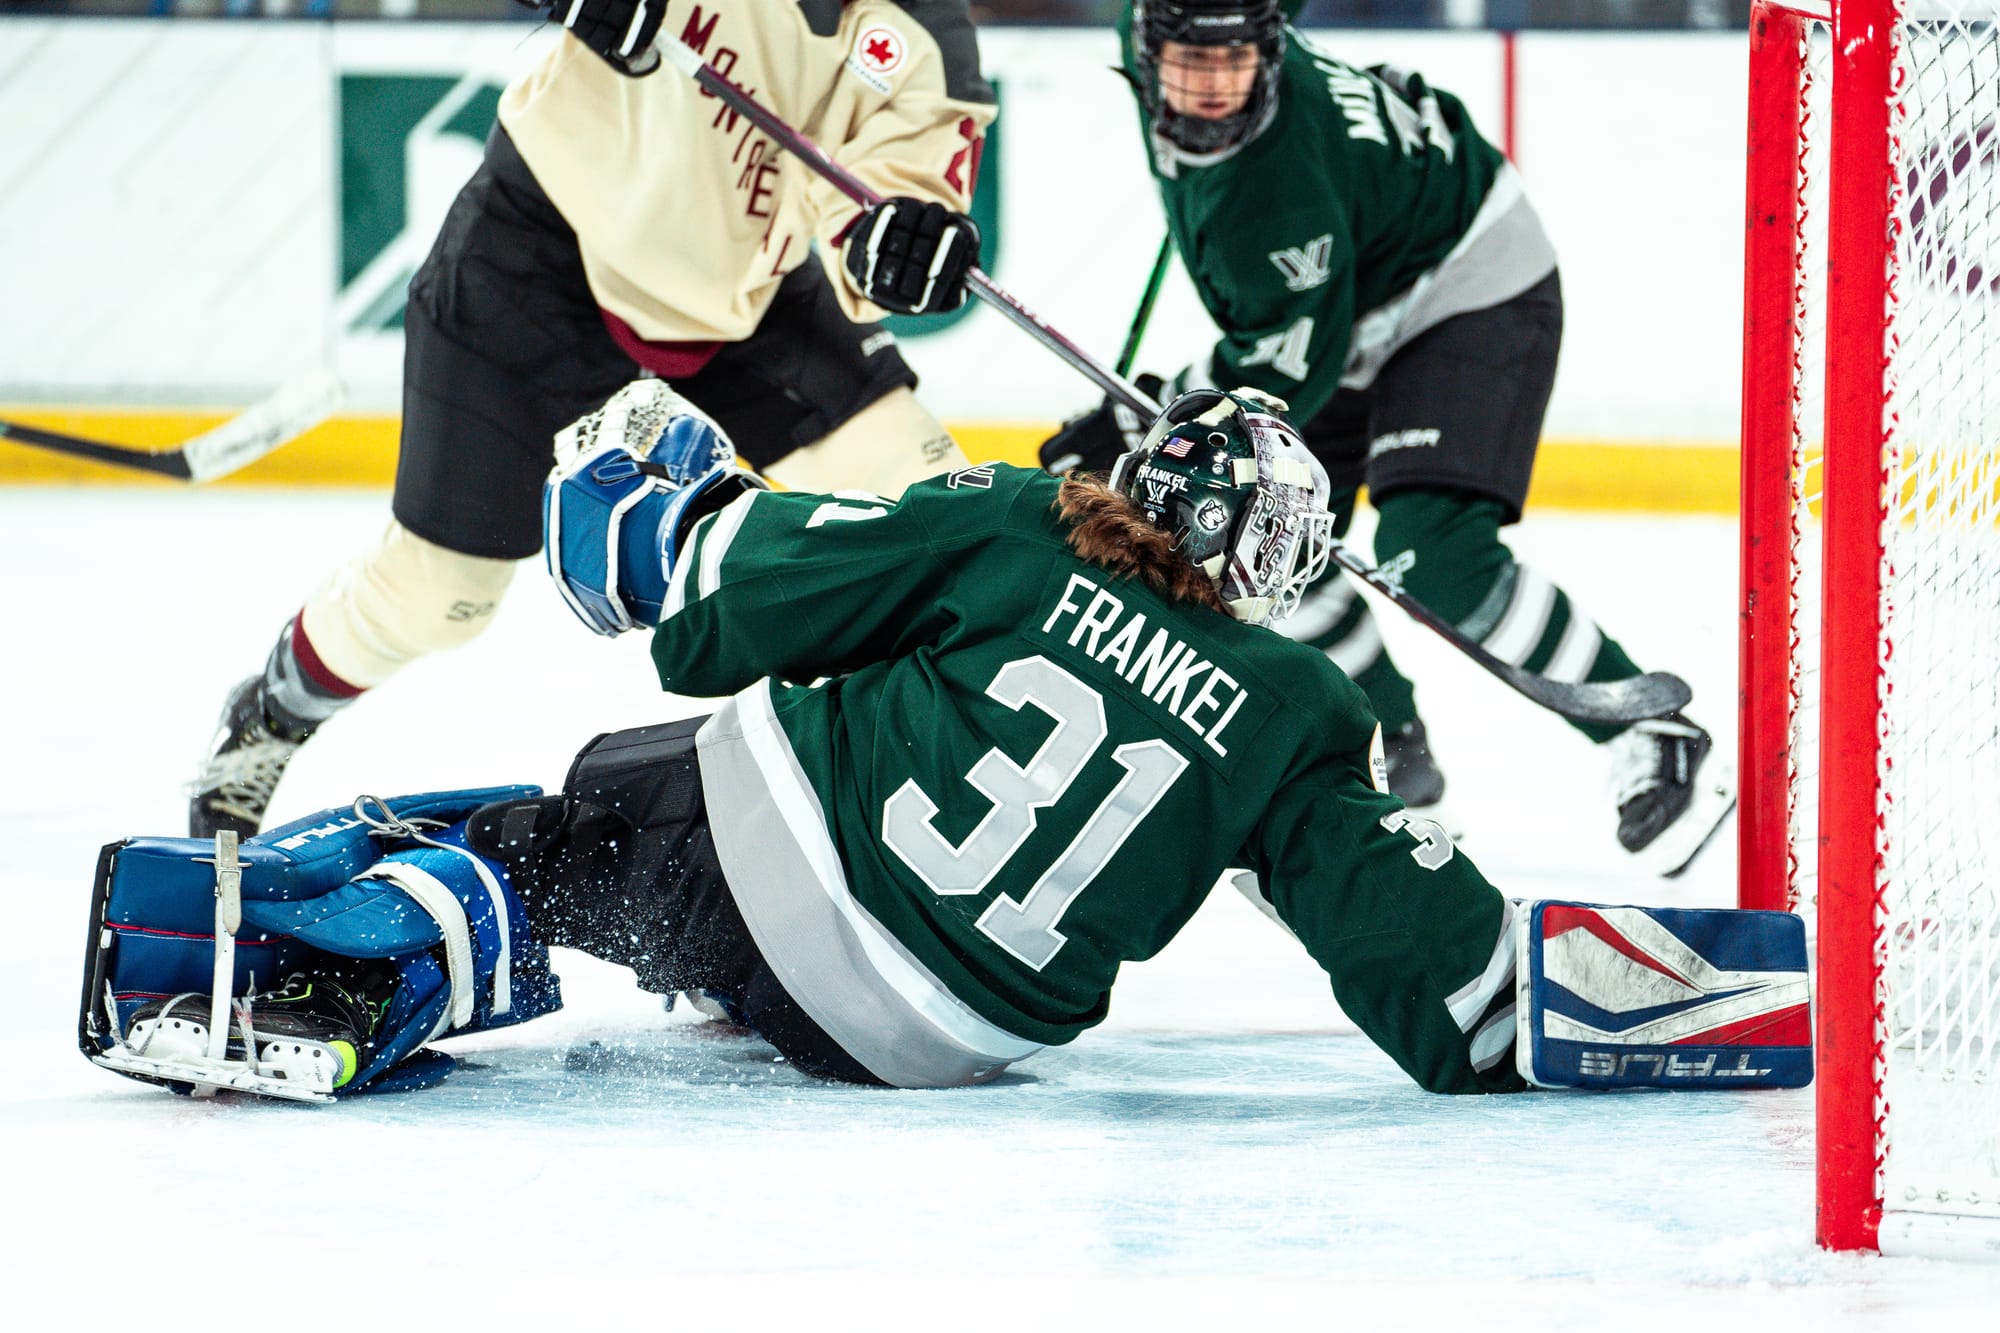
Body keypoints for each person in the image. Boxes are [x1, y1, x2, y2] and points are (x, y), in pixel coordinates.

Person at [85, 384, 1809, 1101]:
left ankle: (293, 968)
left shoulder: (1014, 526)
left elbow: (700, 604)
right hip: (939, 1044)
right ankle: (423, 929)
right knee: (620, 833)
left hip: (764, 870)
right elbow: (1454, 995)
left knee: (542, 843)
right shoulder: (1307, 711)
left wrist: (658, 481)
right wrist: (1763, 991)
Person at [187, 0, 996, 840]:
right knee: (441, 596)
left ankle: (958, 807)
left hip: (744, 299)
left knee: (941, 518)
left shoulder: (926, 36)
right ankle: (274, 708)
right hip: (542, 243)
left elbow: (901, 196)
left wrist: (899, 244)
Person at [1038, 0, 1732, 875]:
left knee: (1437, 558)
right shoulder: (1160, 40)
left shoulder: (1281, 189)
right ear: (1145, 46)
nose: (1212, 87)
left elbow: (1286, 365)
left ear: (1270, 50)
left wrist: (1138, 419)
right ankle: (1391, 740)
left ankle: (1647, 723)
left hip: (1461, 285)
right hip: (1349, 300)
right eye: (1189, 61)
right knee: (1254, 543)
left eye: (1235, 61)